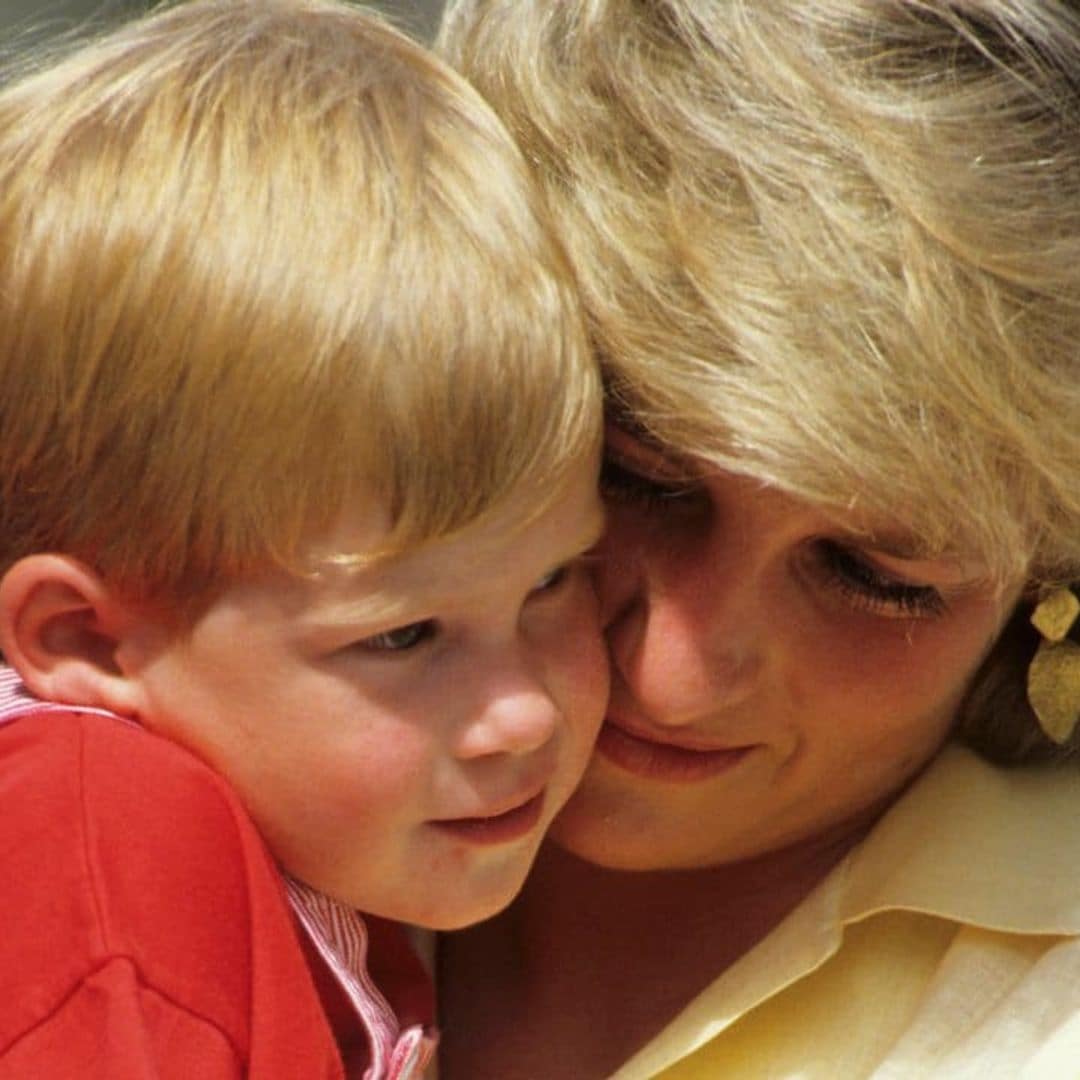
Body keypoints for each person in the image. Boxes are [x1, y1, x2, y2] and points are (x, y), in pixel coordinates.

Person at [436, 1, 1080, 1076]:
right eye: (631, 479)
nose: (674, 676)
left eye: (878, 577)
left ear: (1048, 589)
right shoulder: (124, 710)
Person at [0, 1, 608, 1076]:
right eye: (406, 635)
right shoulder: (105, 872)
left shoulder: (302, 854)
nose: (521, 713)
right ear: (88, 643)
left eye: (557, 578)